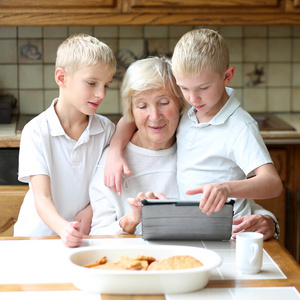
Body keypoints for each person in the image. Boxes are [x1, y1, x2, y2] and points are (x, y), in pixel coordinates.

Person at [103, 29, 283, 240]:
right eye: (184, 89)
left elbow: (272, 183)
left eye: (203, 88)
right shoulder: (191, 112)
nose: (193, 97)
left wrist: (226, 189)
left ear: (227, 76)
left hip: (231, 232)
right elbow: (133, 118)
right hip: (196, 230)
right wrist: (115, 151)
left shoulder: (239, 126)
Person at [14, 34, 117, 247]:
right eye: (91, 83)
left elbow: (105, 186)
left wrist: (89, 211)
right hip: (36, 239)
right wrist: (63, 228)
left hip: (83, 237)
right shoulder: (36, 131)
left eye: (106, 85)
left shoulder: (106, 129)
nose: (100, 94)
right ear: (62, 78)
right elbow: (41, 197)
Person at [89, 56, 186, 235]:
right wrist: (131, 220)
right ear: (131, 111)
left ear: (181, 102)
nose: (155, 116)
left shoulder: (195, 147)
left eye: (164, 103)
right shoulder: (111, 165)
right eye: (142, 106)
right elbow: (97, 235)